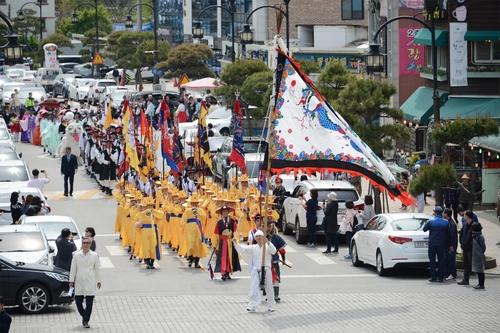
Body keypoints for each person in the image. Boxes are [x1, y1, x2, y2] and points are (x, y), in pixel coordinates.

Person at [233, 230, 277, 312]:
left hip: (266, 270)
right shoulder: (253, 247)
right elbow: (243, 249)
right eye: (257, 236)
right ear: (255, 238)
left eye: (260, 236)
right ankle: (252, 305)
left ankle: (271, 305)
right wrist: (236, 243)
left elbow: (274, 251)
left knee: (269, 288)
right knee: (254, 288)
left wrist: (268, 242)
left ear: (263, 237)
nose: (258, 238)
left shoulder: (267, 247)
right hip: (257, 270)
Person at [69, 237, 101, 329]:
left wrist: (98, 281)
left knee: (89, 303)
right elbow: (73, 268)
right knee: (78, 302)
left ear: (90, 245)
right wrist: (71, 281)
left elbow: (97, 269)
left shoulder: (94, 255)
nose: (86, 244)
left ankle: (85, 321)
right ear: (82, 244)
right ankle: (84, 316)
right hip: (79, 282)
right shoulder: (76, 255)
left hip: (90, 281)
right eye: (84, 243)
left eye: (88, 243)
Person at [213, 204, 241, 280]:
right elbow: (216, 234)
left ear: (228, 212)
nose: (225, 213)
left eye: (226, 212)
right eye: (223, 212)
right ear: (221, 213)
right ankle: (223, 273)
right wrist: (215, 245)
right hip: (222, 242)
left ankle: (228, 272)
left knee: (230, 257)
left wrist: (235, 239)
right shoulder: (219, 222)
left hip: (230, 242)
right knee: (223, 257)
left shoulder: (232, 221)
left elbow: (235, 231)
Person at [423, 206, 449, 282]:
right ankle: (441, 278)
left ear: (434, 212)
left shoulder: (430, 221)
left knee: (432, 261)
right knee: (441, 261)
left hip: (432, 244)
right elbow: (448, 233)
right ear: (442, 213)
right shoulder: (446, 222)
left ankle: (433, 277)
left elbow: (424, 229)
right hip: (442, 244)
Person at [458, 211, 475, 286]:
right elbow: (461, 235)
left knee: (472, 264)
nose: (463, 216)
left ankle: (481, 282)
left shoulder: (474, 225)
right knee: (465, 265)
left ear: (468, 216)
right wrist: (462, 243)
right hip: (465, 248)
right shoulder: (465, 225)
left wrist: (470, 244)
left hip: (471, 249)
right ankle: (465, 280)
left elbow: (476, 238)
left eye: (464, 215)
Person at [444, 208, 458, 281]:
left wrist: (451, 246)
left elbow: (452, 236)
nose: (443, 214)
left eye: (444, 213)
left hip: (451, 245)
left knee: (451, 260)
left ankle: (452, 274)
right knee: (449, 259)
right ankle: (450, 273)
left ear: (446, 214)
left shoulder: (451, 224)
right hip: (450, 245)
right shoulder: (449, 222)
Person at [471, 223, 486, 289]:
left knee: (481, 271)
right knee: (478, 271)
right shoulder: (474, 235)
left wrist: (480, 253)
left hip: (479, 256)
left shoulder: (480, 236)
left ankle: (481, 285)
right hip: (476, 255)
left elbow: (483, 247)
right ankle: (479, 284)